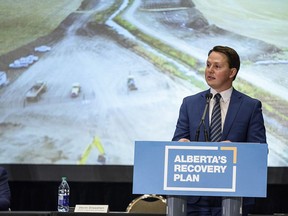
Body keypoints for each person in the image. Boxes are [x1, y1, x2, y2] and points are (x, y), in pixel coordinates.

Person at [172, 45, 266, 216]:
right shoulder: (190, 104)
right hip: (195, 199)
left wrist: (237, 150)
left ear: (232, 72)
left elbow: (259, 151)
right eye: (208, 65)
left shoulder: (250, 106)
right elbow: (176, 143)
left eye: (217, 66)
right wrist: (181, 144)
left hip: (233, 197)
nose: (210, 71)